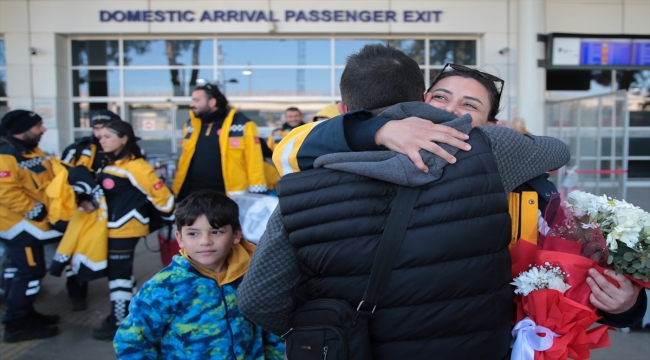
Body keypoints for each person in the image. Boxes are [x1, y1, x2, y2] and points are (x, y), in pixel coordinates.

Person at [237, 44, 638, 359]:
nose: (454, 113)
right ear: (423, 99)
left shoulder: (300, 181)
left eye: (470, 106)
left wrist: (334, 325)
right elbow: (556, 150)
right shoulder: (491, 151)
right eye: (444, 100)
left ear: (343, 111)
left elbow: (259, 301)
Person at [113, 190, 285, 359]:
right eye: (193, 233)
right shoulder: (163, 287)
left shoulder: (253, 277)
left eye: (216, 231)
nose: (205, 241)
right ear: (180, 238)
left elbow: (269, 331)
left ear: (236, 234)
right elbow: (133, 342)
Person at [92, 120, 175, 341]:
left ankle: (119, 322)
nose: (102, 140)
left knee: (118, 274)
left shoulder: (136, 166)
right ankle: (131, 314)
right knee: (120, 273)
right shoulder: (109, 162)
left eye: (107, 136)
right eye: (100, 137)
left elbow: (163, 198)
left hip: (125, 228)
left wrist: (170, 218)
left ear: (124, 138)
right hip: (110, 228)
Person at [0, 110, 62, 342]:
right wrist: (36, 211)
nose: (43, 129)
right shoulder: (5, 152)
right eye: (38, 126)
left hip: (32, 225)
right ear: (21, 128)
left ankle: (26, 314)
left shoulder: (29, 148)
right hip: (19, 227)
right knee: (29, 272)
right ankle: (16, 324)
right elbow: (5, 191)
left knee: (25, 271)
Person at [59, 110, 121, 311]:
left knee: (115, 256)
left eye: (105, 129)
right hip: (83, 212)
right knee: (76, 255)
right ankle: (77, 294)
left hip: (113, 212)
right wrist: (82, 198)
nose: (100, 134)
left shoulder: (122, 149)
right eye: (96, 129)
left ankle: (120, 295)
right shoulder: (77, 149)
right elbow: (62, 179)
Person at [172, 84, 267, 201]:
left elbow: (254, 160)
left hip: (227, 197)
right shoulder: (190, 124)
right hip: (192, 194)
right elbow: (185, 158)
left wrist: (258, 191)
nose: (192, 105)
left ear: (212, 102)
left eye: (196, 100)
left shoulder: (244, 125)